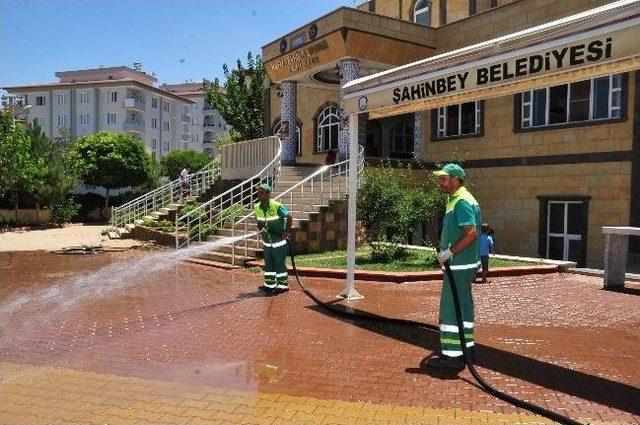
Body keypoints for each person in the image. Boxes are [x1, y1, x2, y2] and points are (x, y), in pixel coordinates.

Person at [428, 163, 481, 370]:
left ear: (456, 179)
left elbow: (471, 233)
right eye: (440, 178)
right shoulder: (458, 199)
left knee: (450, 310)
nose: (440, 182)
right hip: (462, 265)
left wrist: (449, 252)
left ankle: (451, 356)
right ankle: (467, 349)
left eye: (444, 178)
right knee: (464, 306)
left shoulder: (461, 202)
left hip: (458, 265)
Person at [253, 183, 293, 294]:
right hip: (267, 242)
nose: (259, 194)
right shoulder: (257, 207)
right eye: (258, 192)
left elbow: (289, 217)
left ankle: (283, 285)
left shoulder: (277, 206)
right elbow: (259, 222)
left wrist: (287, 231)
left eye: (262, 192)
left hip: (278, 242)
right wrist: (261, 228)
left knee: (279, 264)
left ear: (268, 194)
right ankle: (269, 284)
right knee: (268, 263)